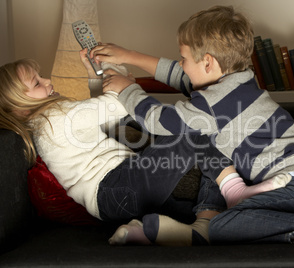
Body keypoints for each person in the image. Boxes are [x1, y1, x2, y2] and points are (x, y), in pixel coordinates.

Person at [91, 5, 294, 247]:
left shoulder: (209, 107)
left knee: (225, 225)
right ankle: (202, 225)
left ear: (208, 62)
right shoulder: (241, 80)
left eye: (184, 58)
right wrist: (128, 56)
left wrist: (127, 89)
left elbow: (157, 120)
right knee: (216, 148)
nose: (182, 65)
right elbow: (181, 76)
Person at [0, 49, 264, 246]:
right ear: (19, 108)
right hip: (119, 183)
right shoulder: (55, 117)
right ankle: (220, 206)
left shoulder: (48, 123)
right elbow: (118, 105)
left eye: (41, 76)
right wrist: (122, 79)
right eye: (37, 83)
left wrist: (97, 77)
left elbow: (95, 115)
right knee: (196, 129)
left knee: (201, 189)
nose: (48, 81)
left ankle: (179, 225)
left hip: (115, 201)